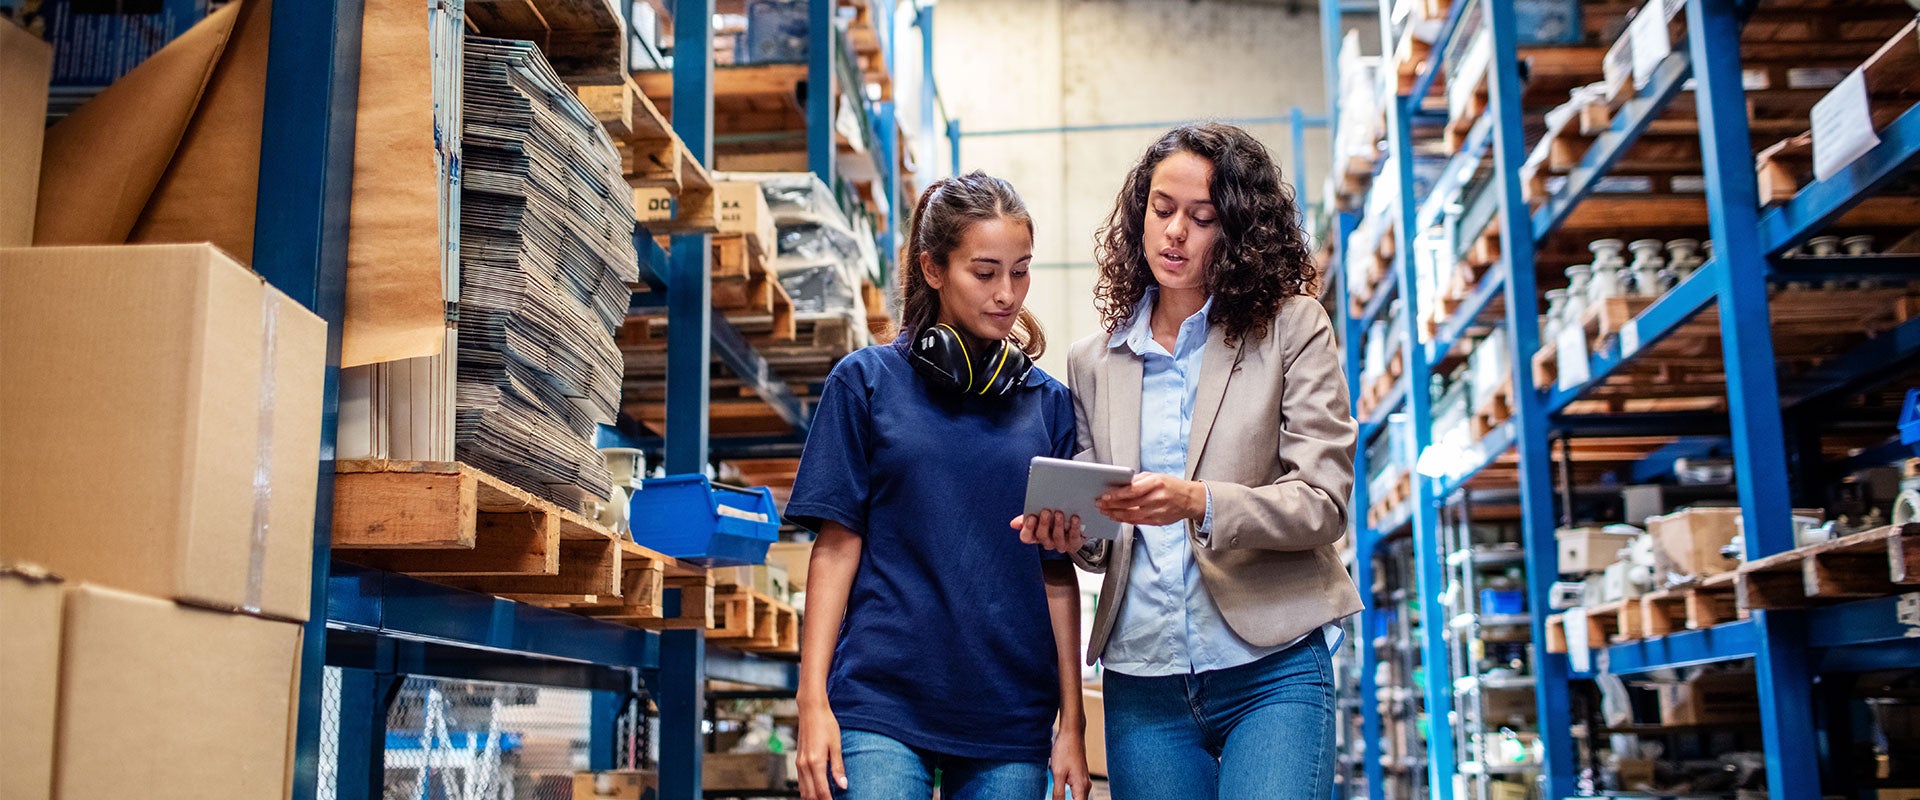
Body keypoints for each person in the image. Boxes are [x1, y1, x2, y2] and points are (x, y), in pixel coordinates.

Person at [1018, 123, 1361, 800]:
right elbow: (1101, 539)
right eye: (1161, 209)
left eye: (1201, 218)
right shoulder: (1095, 359)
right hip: (1144, 682)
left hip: (1273, 666)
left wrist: (1199, 502)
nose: (1174, 233)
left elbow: (1323, 502)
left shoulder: (1292, 327)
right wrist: (1075, 533)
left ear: (1236, 232)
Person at [788, 172, 1094, 800]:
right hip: (881, 702)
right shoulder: (864, 384)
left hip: (1010, 714)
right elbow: (836, 548)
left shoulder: (1051, 407)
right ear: (932, 268)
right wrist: (811, 699)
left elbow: (1056, 572)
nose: (1007, 294)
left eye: (1021, 271)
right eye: (984, 273)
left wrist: (1073, 723)